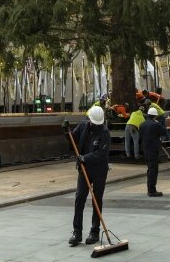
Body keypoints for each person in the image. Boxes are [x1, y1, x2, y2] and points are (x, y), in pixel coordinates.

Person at [69, 105, 111, 246]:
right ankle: (77, 232)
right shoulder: (83, 126)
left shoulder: (104, 132)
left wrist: (85, 157)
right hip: (84, 168)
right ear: (90, 120)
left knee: (96, 199)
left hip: (99, 170)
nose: (96, 125)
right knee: (79, 198)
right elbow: (73, 139)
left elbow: (101, 153)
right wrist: (66, 132)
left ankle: (94, 231)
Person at [140, 107, 165, 197]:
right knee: (153, 170)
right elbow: (164, 132)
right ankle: (152, 190)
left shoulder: (142, 125)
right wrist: (159, 124)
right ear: (155, 116)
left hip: (146, 149)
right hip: (153, 149)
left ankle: (149, 188)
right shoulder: (156, 124)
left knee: (150, 169)